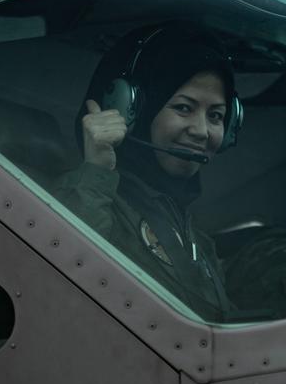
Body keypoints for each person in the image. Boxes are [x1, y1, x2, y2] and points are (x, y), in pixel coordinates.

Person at [54, 24, 238, 321]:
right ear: (129, 108)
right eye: (183, 108)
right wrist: (97, 169)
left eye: (216, 115)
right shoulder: (82, 200)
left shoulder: (197, 242)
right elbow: (62, 288)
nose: (202, 131)